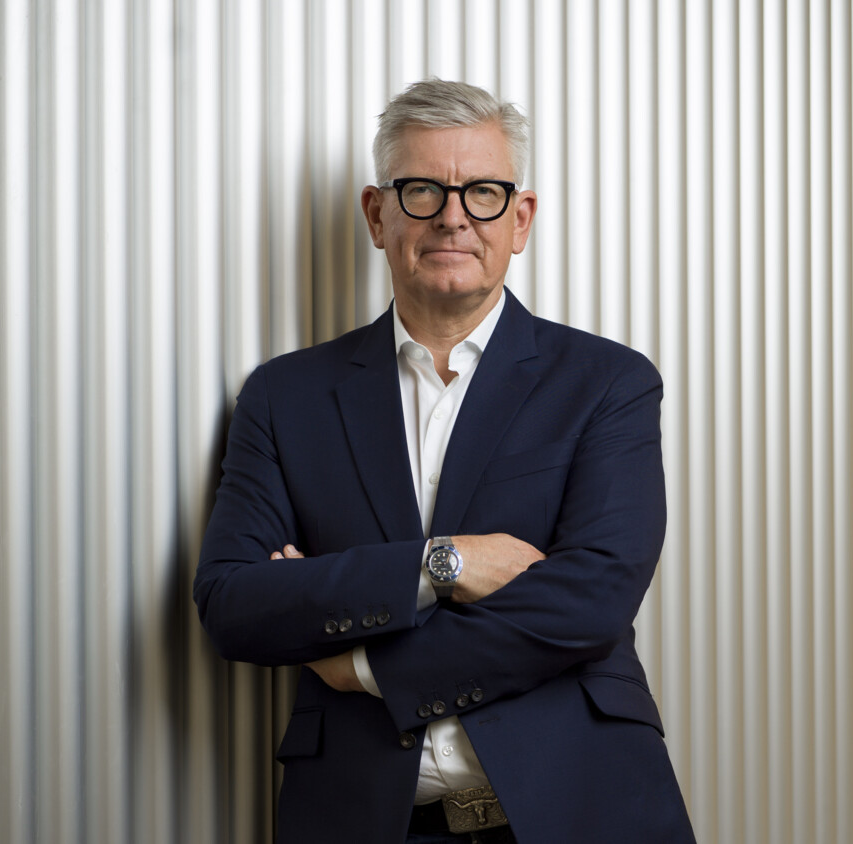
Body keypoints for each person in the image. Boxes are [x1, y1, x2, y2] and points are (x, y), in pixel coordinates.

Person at [193, 79, 695, 844]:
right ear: (377, 214)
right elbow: (234, 604)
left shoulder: (607, 383)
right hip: (363, 821)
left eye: (483, 192)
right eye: (422, 189)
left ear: (520, 219)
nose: (453, 217)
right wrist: (444, 563)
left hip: (581, 806)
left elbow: (592, 599)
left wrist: (362, 666)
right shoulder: (284, 396)